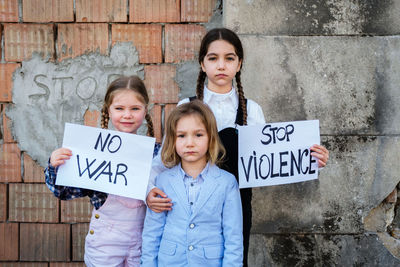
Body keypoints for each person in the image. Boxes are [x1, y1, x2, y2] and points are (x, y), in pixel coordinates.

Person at [146, 27, 330, 266]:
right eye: (213, 58)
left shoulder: (251, 110)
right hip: (187, 204)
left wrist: (310, 160)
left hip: (237, 204)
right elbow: (164, 159)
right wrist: (148, 192)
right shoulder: (187, 106)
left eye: (229, 58)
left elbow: (272, 160)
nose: (221, 65)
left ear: (239, 64)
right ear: (202, 64)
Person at [44, 75, 160, 267]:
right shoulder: (94, 151)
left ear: (145, 110)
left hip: (144, 241)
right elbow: (64, 192)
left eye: (135, 109)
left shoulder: (157, 153)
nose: (127, 115)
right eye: (119, 108)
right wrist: (55, 166)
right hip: (104, 245)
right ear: (108, 110)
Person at [141, 100, 243, 266]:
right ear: (173, 140)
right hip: (170, 261)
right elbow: (152, 233)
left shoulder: (227, 182)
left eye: (198, 135)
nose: (190, 143)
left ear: (211, 137)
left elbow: (234, 237)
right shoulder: (163, 181)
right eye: (181, 136)